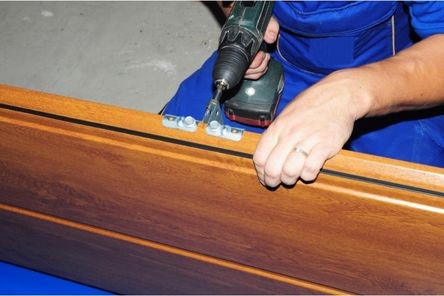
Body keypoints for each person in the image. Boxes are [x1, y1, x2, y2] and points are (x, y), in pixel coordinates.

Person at [164, 1, 444, 187]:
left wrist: (352, 93)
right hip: (280, 62)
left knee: (408, 213)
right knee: (167, 164)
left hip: (393, 76)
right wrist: (240, 10)